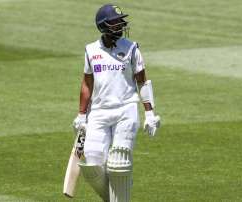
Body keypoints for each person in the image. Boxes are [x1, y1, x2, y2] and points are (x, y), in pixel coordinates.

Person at [72, 4, 161, 202]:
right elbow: (87, 83)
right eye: (115, 22)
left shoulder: (131, 48)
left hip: (125, 109)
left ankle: (120, 194)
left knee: (119, 163)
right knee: (92, 165)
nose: (120, 26)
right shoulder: (91, 50)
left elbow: (142, 81)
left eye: (121, 22)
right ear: (103, 26)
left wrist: (150, 113)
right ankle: (118, 197)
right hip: (99, 111)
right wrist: (81, 114)